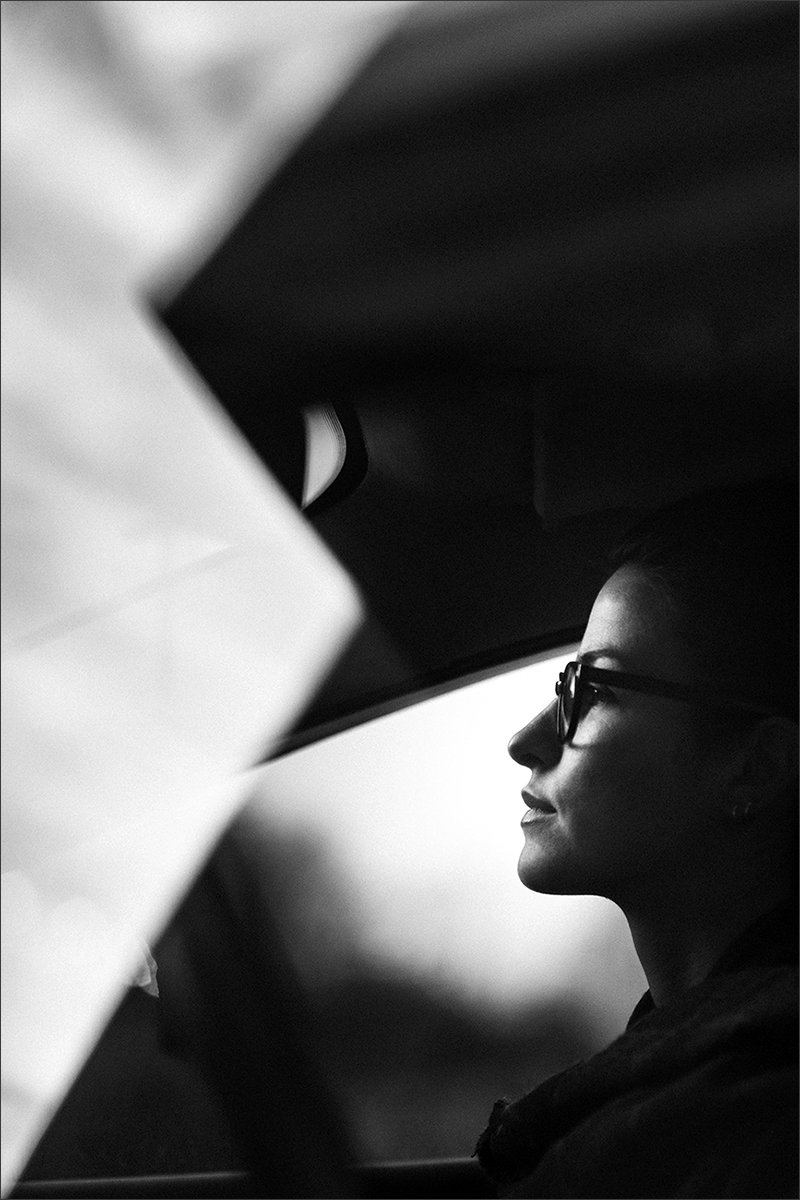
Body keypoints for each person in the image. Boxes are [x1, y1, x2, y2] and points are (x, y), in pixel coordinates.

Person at [474, 478, 798, 1199]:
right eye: (567, 686)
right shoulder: (696, 1085)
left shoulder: (752, 1125)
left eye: (595, 691)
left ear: (756, 766)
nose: (526, 740)